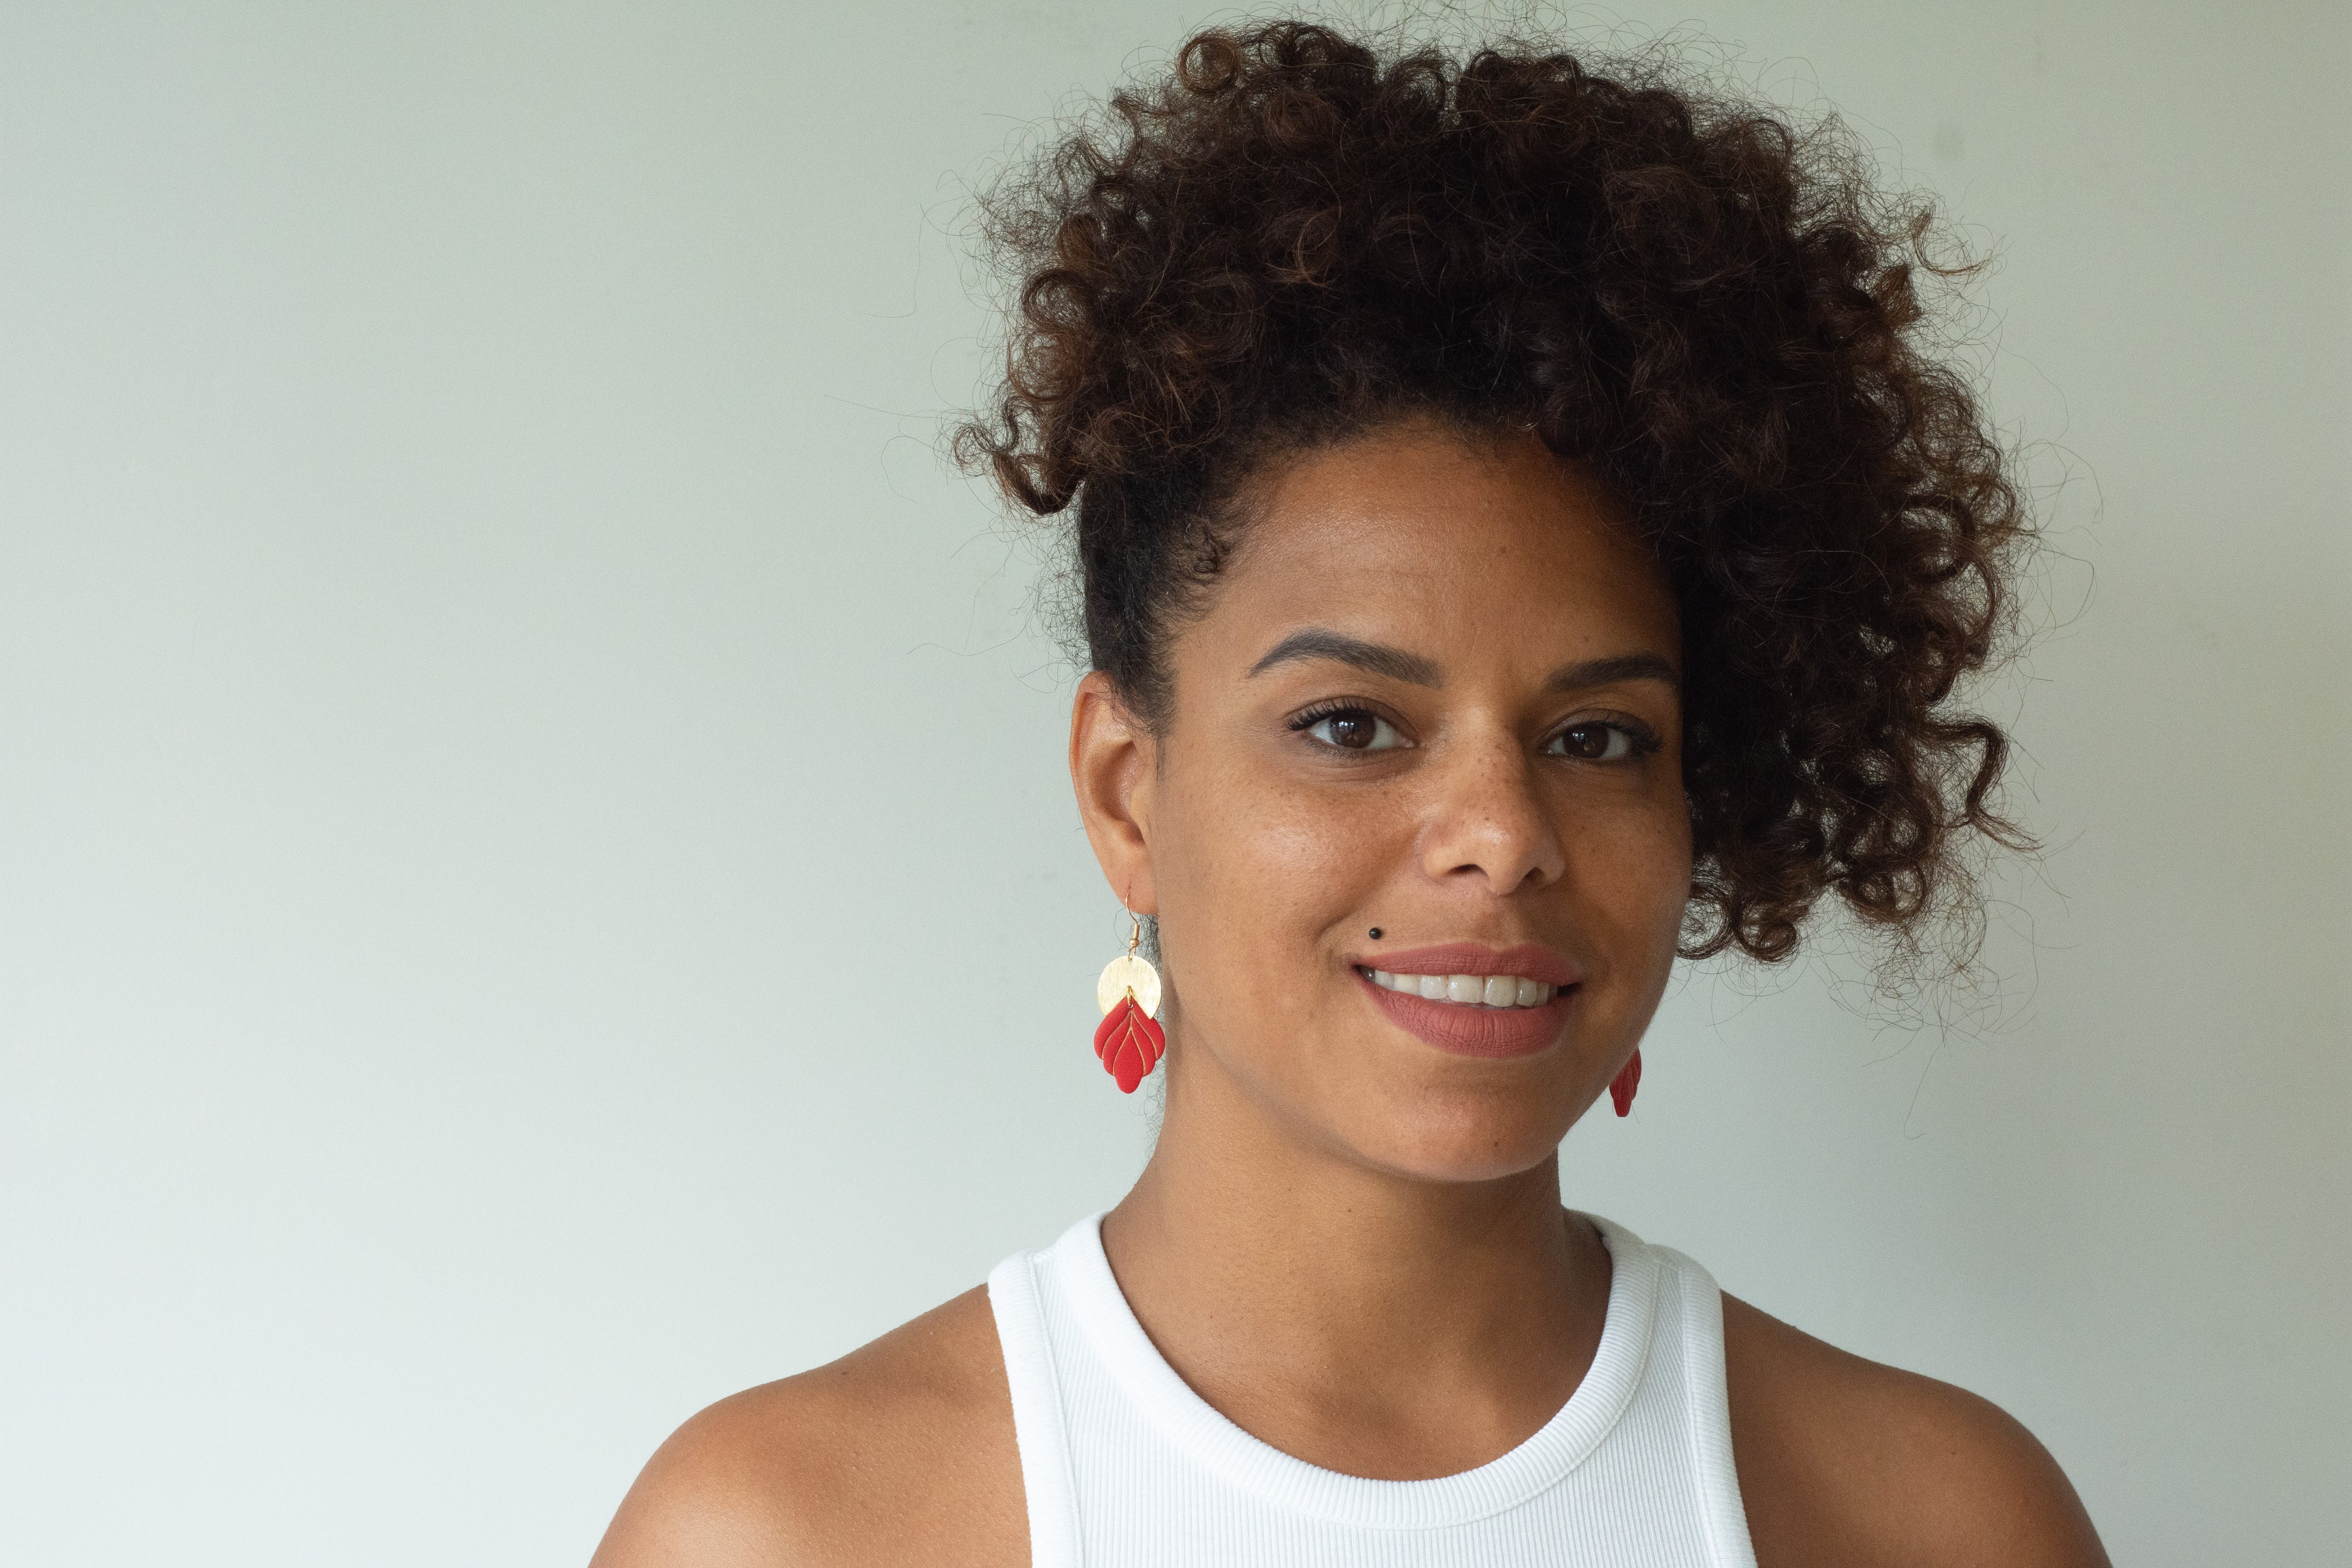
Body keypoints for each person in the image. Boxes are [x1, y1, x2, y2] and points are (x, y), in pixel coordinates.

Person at [592, 20, 2109, 1566]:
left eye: (1597, 738)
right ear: (1128, 796)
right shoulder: (786, 1529)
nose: (1505, 834)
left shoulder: (1939, 1519)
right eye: (1349, 722)